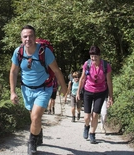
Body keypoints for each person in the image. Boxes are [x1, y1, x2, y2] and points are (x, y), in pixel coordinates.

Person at [10, 25, 67, 155]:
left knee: (35, 117)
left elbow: (56, 71)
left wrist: (63, 87)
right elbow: (13, 72)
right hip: (26, 89)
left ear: (35, 38)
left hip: (43, 89)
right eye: (25, 36)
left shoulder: (44, 52)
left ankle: (31, 142)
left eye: (30, 36)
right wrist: (12, 92)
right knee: (33, 117)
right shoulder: (18, 52)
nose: (28, 39)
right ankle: (38, 132)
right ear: (21, 38)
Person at [76, 45, 113, 144]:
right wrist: (78, 91)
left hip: (101, 92)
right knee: (87, 116)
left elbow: (109, 81)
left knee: (95, 115)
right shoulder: (87, 64)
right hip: (88, 91)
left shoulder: (106, 66)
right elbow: (83, 78)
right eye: (91, 56)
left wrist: (111, 96)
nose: (93, 58)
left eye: (95, 56)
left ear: (99, 56)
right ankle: (86, 126)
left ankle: (92, 134)